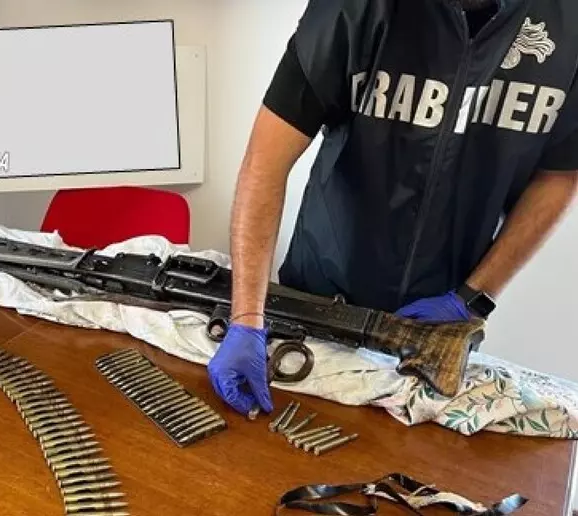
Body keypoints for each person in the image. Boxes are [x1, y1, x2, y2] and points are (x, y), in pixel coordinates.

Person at [207, 0, 578, 416]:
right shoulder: (350, 10)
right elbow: (265, 163)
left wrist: (475, 296)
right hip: (320, 301)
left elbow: (561, 174)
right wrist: (247, 317)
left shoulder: (570, 25)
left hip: (439, 325)